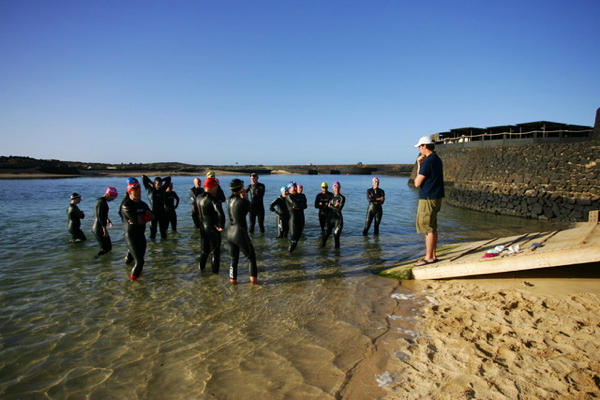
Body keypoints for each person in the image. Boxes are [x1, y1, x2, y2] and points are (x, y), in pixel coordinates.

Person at [413, 135, 445, 266]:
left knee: (427, 227)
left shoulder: (429, 161)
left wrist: (420, 165)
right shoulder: (436, 159)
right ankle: (432, 254)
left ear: (425, 146)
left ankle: (429, 257)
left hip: (427, 198)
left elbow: (417, 182)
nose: (419, 149)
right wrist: (420, 164)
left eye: (420, 146)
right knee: (432, 226)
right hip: (436, 197)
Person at [226, 179, 258, 285]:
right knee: (251, 258)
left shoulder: (227, 199)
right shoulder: (242, 201)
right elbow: (253, 212)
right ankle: (254, 286)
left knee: (234, 260)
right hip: (239, 232)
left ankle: (233, 284)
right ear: (240, 188)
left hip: (229, 232)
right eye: (243, 186)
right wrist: (247, 199)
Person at [121, 181, 152, 280]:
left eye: (139, 191)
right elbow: (136, 221)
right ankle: (133, 283)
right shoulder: (127, 205)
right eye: (136, 191)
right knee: (140, 261)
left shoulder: (143, 204)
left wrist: (143, 218)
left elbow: (153, 216)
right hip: (131, 236)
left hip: (141, 235)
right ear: (130, 192)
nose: (139, 193)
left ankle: (133, 273)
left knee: (140, 260)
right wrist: (145, 216)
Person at [197, 177, 225, 273]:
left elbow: (193, 213)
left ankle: (201, 270)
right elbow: (221, 214)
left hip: (202, 228)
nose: (217, 189)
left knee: (204, 251)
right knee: (215, 253)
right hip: (212, 228)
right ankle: (215, 276)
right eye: (216, 187)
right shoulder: (213, 200)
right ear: (212, 187)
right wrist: (221, 227)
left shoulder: (198, 197)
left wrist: (198, 224)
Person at [142, 175, 172, 239]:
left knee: (163, 232)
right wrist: (151, 182)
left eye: (160, 184)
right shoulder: (150, 190)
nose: (159, 186)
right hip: (153, 213)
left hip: (162, 213)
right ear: (155, 184)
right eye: (157, 184)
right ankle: (153, 246)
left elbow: (169, 178)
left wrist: (162, 180)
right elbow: (143, 177)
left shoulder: (163, 190)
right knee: (153, 232)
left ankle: (165, 246)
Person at [92, 187, 118, 258]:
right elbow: (99, 215)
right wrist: (104, 229)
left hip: (100, 227)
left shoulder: (102, 201)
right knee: (104, 249)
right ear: (108, 194)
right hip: (98, 228)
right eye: (113, 197)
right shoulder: (101, 202)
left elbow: (103, 214)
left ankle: (106, 265)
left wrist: (108, 221)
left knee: (108, 247)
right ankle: (94, 260)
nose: (113, 199)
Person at [320, 181, 345, 248]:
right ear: (332, 188)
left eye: (338, 187)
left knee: (336, 236)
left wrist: (331, 206)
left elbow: (339, 209)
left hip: (338, 220)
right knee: (324, 237)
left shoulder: (342, 198)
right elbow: (326, 207)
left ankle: (336, 257)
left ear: (340, 188)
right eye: (335, 186)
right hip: (330, 219)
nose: (336, 188)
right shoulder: (330, 197)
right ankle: (321, 255)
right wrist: (334, 205)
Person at [285, 182, 307, 253]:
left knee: (297, 239)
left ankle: (293, 255)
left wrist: (299, 206)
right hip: (293, 220)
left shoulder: (301, 196)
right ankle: (288, 254)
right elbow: (296, 204)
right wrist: (300, 205)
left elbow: (305, 206)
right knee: (293, 240)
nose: (295, 188)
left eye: (295, 187)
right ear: (289, 189)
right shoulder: (289, 196)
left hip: (301, 219)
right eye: (293, 187)